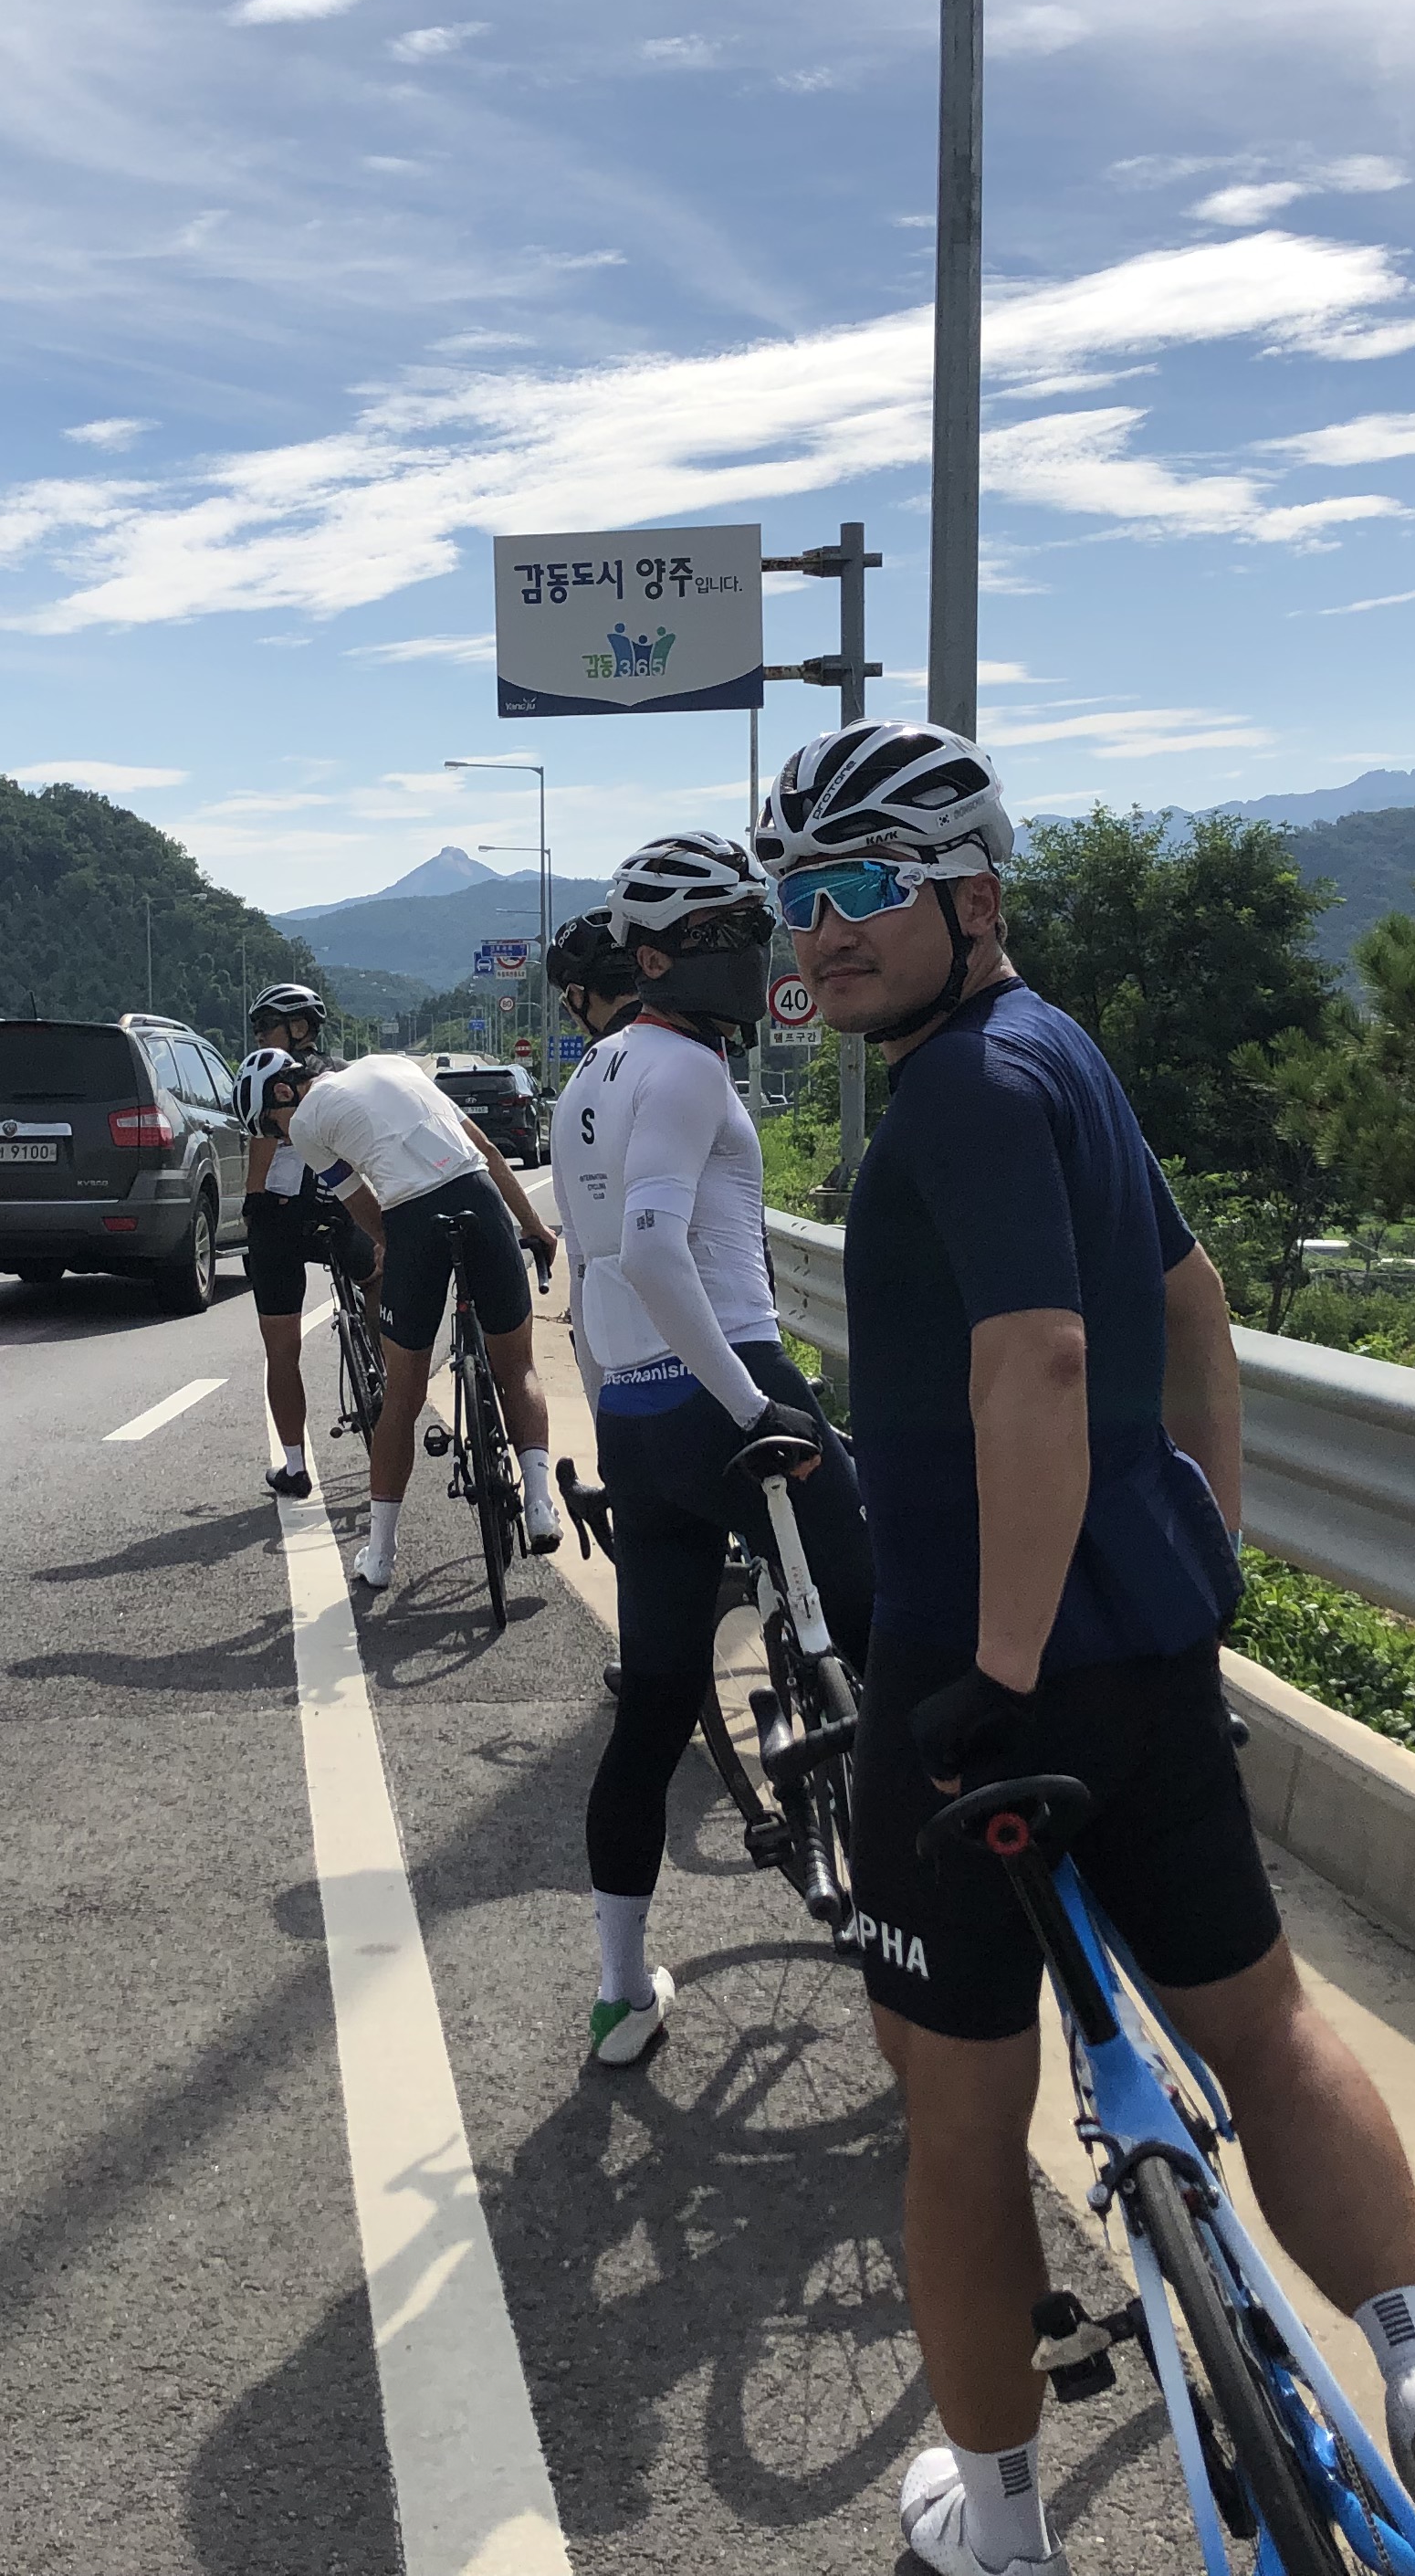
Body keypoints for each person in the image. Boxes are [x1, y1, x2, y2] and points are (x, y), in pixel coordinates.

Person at [756, 720, 1415, 2576]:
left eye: (864, 886)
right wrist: (1209, 1532)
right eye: (800, 896)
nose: (822, 931)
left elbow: (1041, 1358)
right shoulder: (1063, 1054)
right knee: (1263, 2025)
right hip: (1147, 1654)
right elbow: (1189, 1304)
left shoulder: (959, 1093)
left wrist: (993, 1669)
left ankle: (1003, 2524)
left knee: (959, 2126)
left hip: (979, 1681)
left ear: (974, 894)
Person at [550, 845, 876, 2070]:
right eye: (724, 931)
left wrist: (614, 1417)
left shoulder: (590, 1075)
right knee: (887, 1621)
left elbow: (592, 1277)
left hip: (636, 1414)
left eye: (754, 923)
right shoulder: (686, 1067)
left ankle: (621, 1995)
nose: (751, 949)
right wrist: (750, 1409)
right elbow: (651, 1246)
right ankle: (936, 1929)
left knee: (653, 1704)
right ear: (652, 957)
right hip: (728, 1379)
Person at [256, 1043, 562, 1589]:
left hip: (412, 1216)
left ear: (284, 1093)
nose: (280, 1138)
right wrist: (534, 1226)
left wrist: (393, 1250)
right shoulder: (399, 1066)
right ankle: (539, 1503)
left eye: (271, 1125)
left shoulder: (305, 1124)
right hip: (479, 1194)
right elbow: (488, 1150)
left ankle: (379, 1557)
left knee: (403, 1394)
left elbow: (360, 1204)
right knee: (517, 1365)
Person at [237, 983, 365, 1500]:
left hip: (282, 1216)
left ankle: (294, 1467)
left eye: (266, 1026)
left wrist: (253, 1218)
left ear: (297, 1027)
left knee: (281, 1347)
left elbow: (261, 1161)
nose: (259, 1036)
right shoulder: (342, 1075)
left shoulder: (271, 1081)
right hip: (344, 1206)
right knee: (379, 1283)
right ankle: (384, 1371)